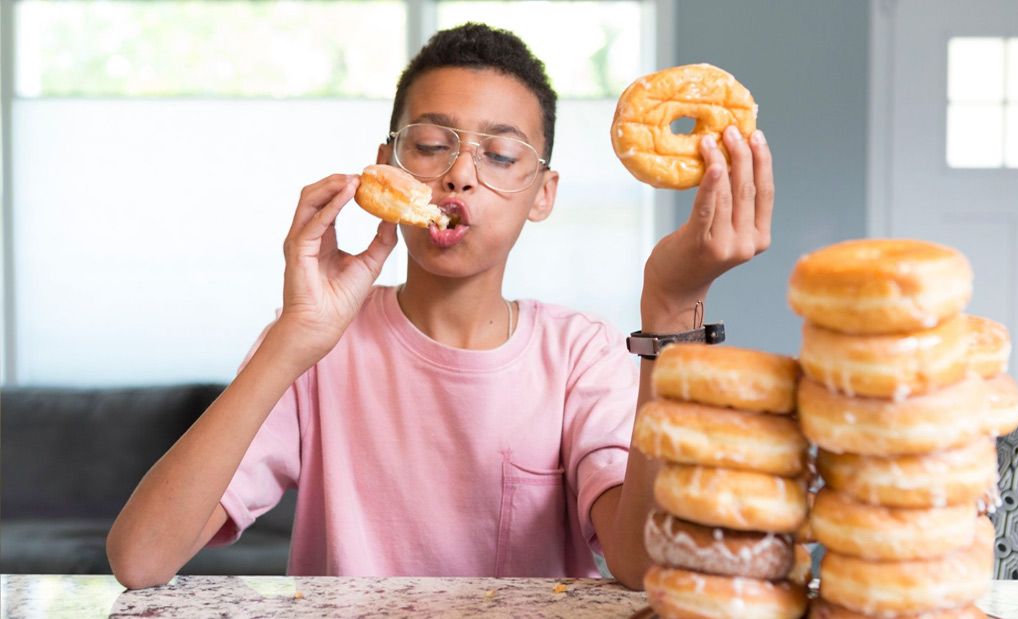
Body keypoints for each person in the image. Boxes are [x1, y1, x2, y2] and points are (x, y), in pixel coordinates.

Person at [106, 22, 773, 591]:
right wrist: (295, 335)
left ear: (543, 193)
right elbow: (142, 557)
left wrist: (672, 305)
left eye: (502, 153)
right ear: (386, 166)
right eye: (430, 145)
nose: (459, 173)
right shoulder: (317, 345)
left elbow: (642, 562)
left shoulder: (580, 355)